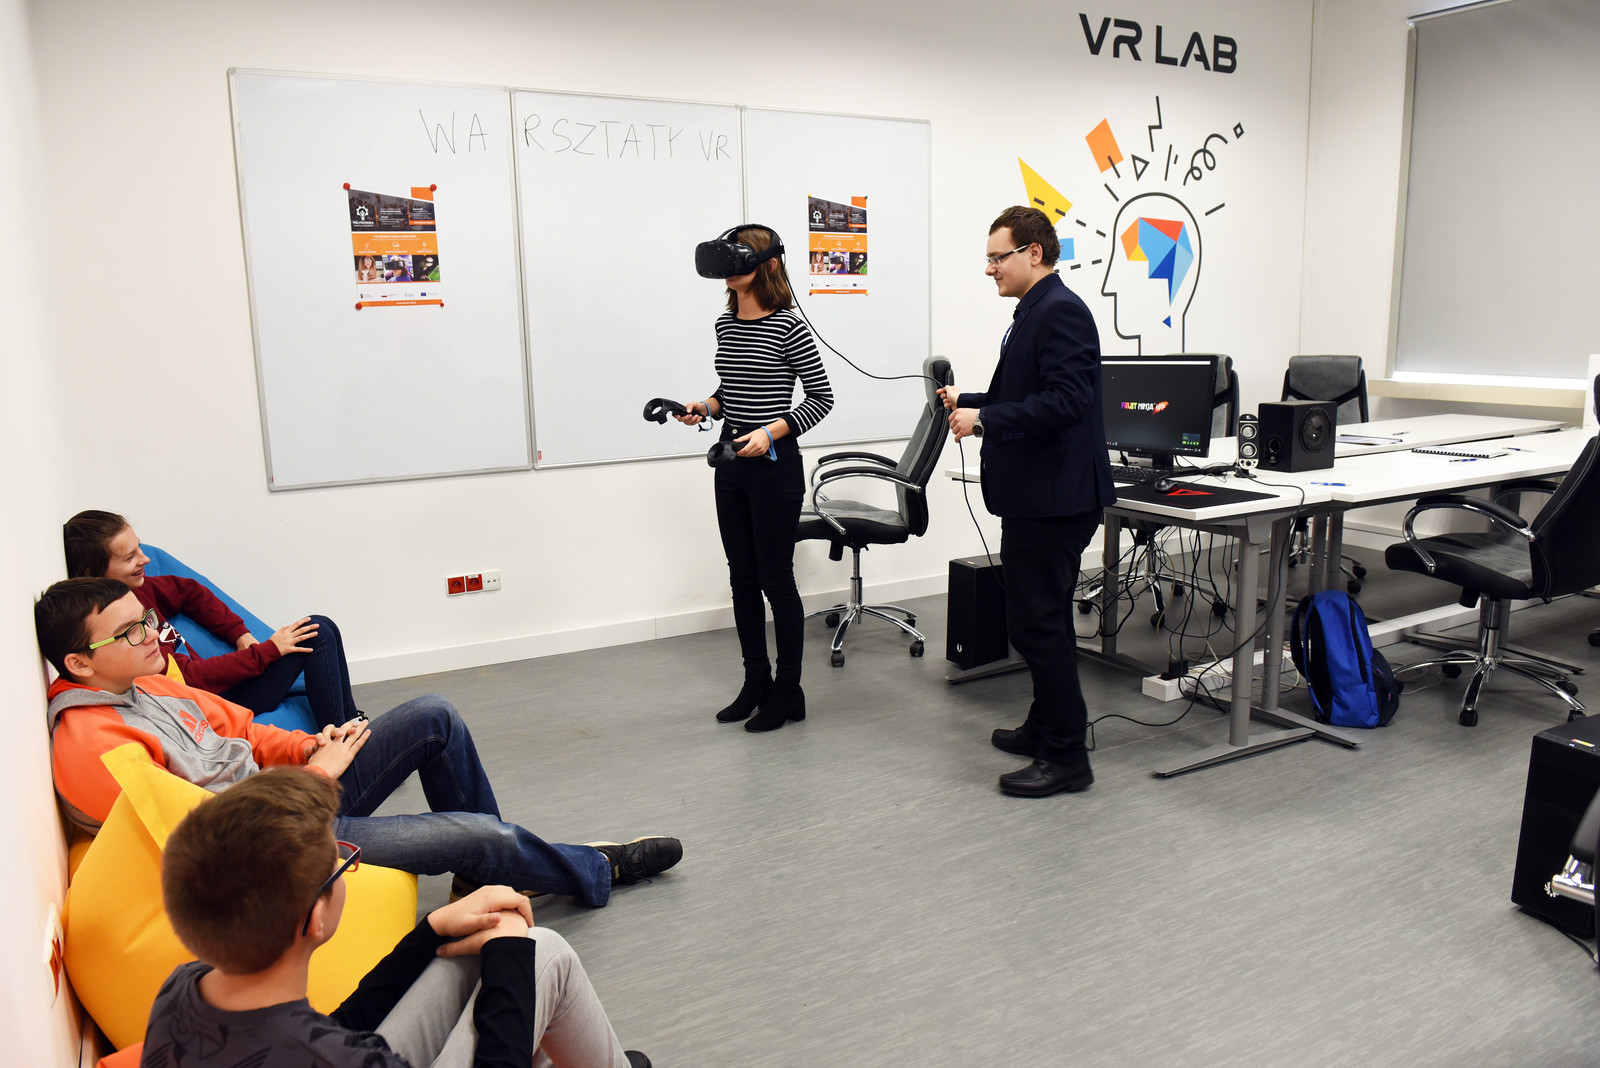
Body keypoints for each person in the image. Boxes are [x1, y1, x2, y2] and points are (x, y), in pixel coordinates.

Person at [36, 577, 681, 904]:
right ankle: (595, 867)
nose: (153, 635)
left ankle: (486, 877)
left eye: (146, 620)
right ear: (79, 662)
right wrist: (319, 775)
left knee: (434, 715)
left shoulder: (150, 682)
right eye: (130, 632)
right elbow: (215, 843)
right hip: (278, 847)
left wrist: (312, 745)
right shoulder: (95, 748)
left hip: (291, 798)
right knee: (478, 834)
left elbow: (246, 731)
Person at [144, 767, 652, 1067]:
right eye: (339, 863)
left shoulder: (182, 989)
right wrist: (511, 951)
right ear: (314, 917)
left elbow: (330, 1029)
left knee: (471, 953)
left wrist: (428, 932)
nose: (348, 868)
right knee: (543, 953)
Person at [938, 205, 1116, 797]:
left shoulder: (1061, 310)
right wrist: (972, 400)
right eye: (988, 258)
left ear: (1033, 252)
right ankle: (1045, 726)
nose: (990, 268)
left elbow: (1067, 401)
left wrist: (986, 419)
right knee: (1044, 619)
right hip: (1040, 495)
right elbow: (1030, 391)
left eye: (998, 257)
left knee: (1037, 624)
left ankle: (1066, 757)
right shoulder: (1034, 310)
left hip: (1056, 498)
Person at [675, 226, 833, 732]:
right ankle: (756, 683)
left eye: (737, 257)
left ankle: (788, 691)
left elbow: (821, 399)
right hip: (731, 465)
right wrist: (705, 406)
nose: (728, 269)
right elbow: (731, 389)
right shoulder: (725, 323)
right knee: (741, 577)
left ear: (766, 264)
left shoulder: (789, 327)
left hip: (774, 468)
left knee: (775, 579)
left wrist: (771, 432)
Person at [64, 509, 358, 729]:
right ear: (92, 573)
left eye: (139, 548)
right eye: (129, 558)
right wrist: (268, 651)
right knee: (317, 634)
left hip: (217, 690)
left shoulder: (138, 592)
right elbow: (191, 678)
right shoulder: (123, 630)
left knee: (323, 627)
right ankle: (341, 738)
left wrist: (239, 633)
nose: (145, 559)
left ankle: (351, 722)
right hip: (209, 706)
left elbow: (189, 591)